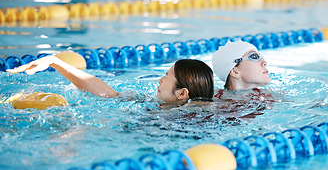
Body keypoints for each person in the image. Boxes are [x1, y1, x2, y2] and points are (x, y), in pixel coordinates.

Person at [7, 55, 214, 105]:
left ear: (182, 93)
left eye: (167, 76)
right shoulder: (149, 103)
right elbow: (107, 93)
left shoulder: (190, 120)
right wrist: (55, 62)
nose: (160, 79)